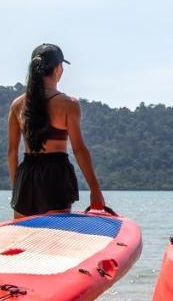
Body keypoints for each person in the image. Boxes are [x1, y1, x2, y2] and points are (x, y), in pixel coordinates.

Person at [6, 43, 109, 217]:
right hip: (55, 175)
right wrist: (95, 189)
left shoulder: (17, 105)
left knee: (22, 236)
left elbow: (12, 151)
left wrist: (17, 188)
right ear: (58, 68)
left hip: (26, 175)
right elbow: (79, 149)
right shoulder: (69, 104)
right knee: (55, 237)